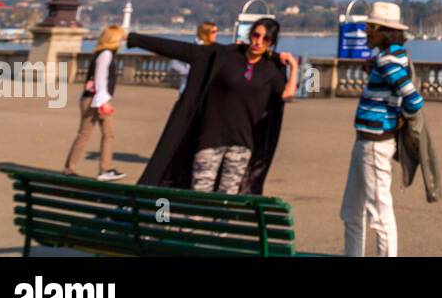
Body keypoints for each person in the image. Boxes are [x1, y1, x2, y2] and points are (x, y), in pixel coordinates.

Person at [128, 17, 298, 194]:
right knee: (200, 195)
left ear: (272, 42)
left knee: (227, 200)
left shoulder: (271, 69)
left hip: (242, 144)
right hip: (211, 138)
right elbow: (182, 50)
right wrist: (135, 39)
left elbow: (287, 94)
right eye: (256, 35)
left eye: (266, 39)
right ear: (250, 34)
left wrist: (293, 67)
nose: (259, 42)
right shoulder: (225, 55)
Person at [340, 1, 424, 257]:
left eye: (370, 27)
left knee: (379, 213)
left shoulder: (388, 61)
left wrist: (401, 117)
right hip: (365, 142)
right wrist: (373, 67)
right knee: (351, 210)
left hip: (375, 144)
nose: (366, 31)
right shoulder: (389, 57)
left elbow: (414, 100)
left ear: (384, 31)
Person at [62, 25, 126, 181]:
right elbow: (100, 79)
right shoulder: (106, 54)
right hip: (96, 99)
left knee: (84, 135)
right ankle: (105, 169)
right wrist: (104, 101)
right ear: (115, 39)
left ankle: (69, 168)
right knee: (108, 135)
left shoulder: (99, 53)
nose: (123, 41)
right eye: (122, 38)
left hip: (89, 98)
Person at [170, 21, 218, 95]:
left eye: (217, 31)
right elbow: (174, 62)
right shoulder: (191, 48)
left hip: (206, 91)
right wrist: (189, 72)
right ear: (205, 32)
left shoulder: (214, 49)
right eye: (214, 31)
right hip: (188, 90)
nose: (216, 34)